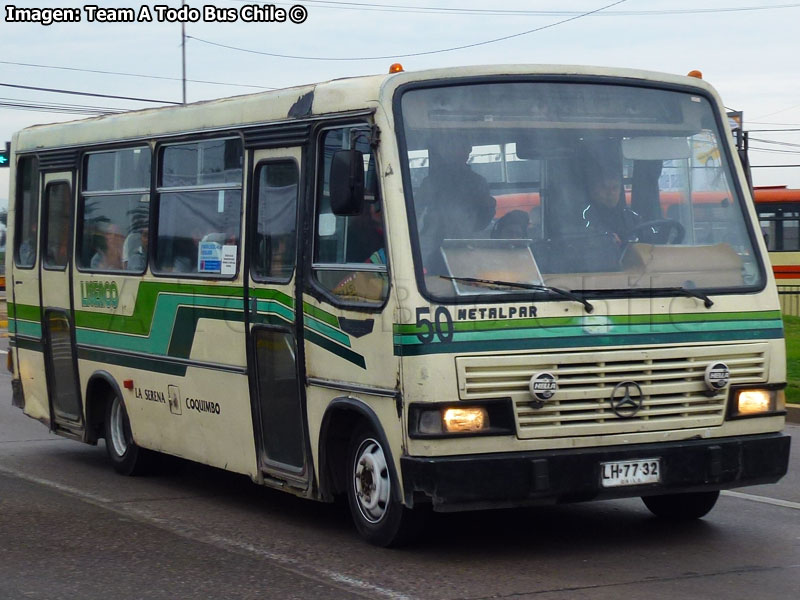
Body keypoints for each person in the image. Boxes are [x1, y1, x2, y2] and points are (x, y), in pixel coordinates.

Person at [416, 139, 496, 273]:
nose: (459, 153)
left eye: (463, 148)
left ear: (468, 152)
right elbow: (414, 213)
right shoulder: (431, 182)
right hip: (433, 247)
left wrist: (489, 207)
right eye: (454, 149)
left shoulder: (478, 182)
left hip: (466, 246)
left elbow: (483, 222)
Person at [580, 142, 640, 243]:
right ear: (593, 190)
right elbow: (585, 240)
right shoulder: (584, 217)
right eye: (604, 188)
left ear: (620, 190)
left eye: (615, 188)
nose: (610, 193)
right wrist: (605, 239)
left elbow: (648, 240)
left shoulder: (632, 217)